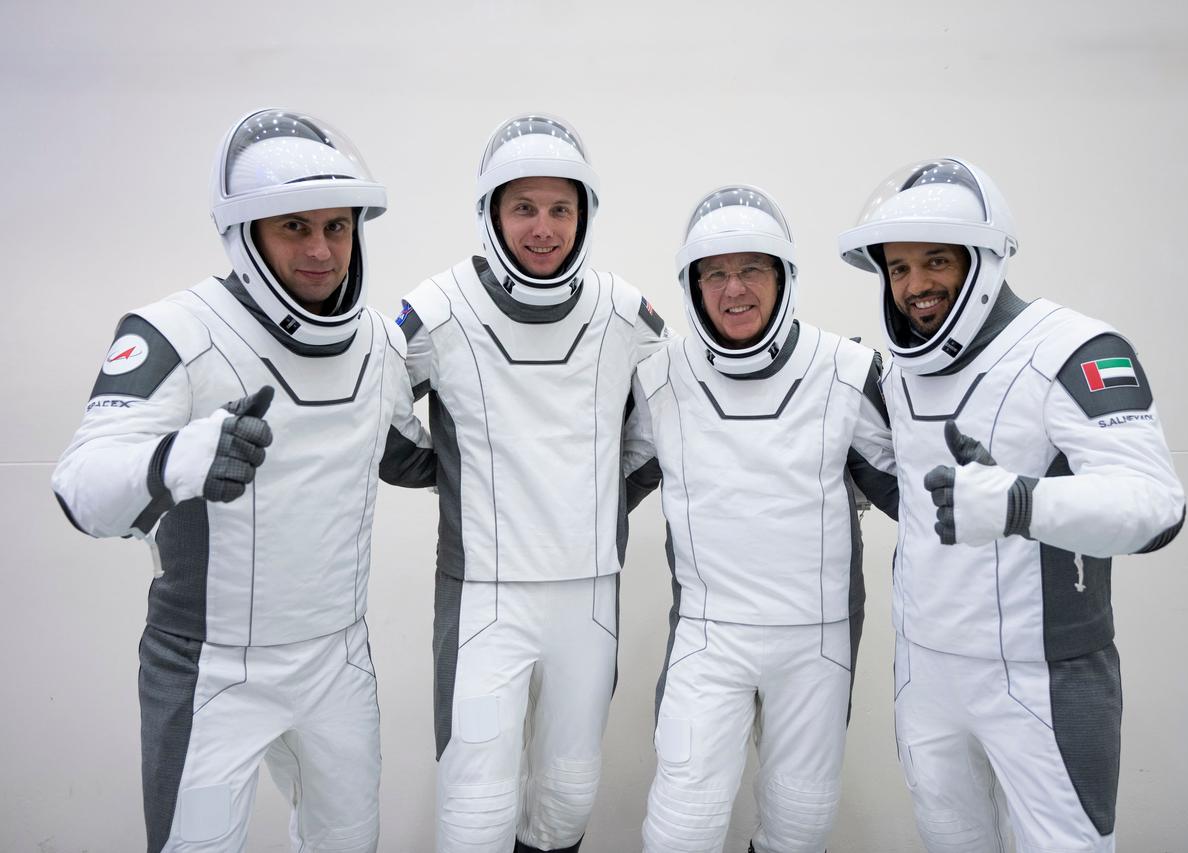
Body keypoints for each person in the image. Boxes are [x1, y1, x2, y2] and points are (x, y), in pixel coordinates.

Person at [51, 108, 433, 853]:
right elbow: (78, 486)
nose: (322, 250)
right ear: (246, 233)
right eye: (294, 226)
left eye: (337, 225)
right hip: (209, 667)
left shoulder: (380, 342)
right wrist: (175, 459)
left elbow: (402, 454)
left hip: (338, 660)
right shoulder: (175, 331)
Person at [836, 158, 1186, 852]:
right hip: (926, 671)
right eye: (899, 268)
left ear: (986, 258)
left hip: (1042, 677)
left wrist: (1022, 502)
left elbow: (1156, 504)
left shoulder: (1071, 349)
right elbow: (921, 503)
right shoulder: (900, 375)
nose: (915, 285)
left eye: (936, 260)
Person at [395, 113, 670, 853]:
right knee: (477, 806)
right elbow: (377, 416)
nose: (543, 229)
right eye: (524, 208)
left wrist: (600, 502)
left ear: (584, 214)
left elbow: (660, 434)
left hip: (589, 594)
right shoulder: (439, 308)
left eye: (560, 209)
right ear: (490, 213)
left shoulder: (625, 313)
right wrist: (450, 476)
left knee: (567, 793)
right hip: (484, 593)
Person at [624, 185, 898, 853]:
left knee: (798, 826)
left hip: (816, 641)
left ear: (783, 277)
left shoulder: (845, 370)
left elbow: (914, 495)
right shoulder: (659, 378)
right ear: (692, 284)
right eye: (714, 272)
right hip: (710, 638)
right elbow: (599, 492)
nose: (733, 288)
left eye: (752, 269)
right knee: (680, 828)